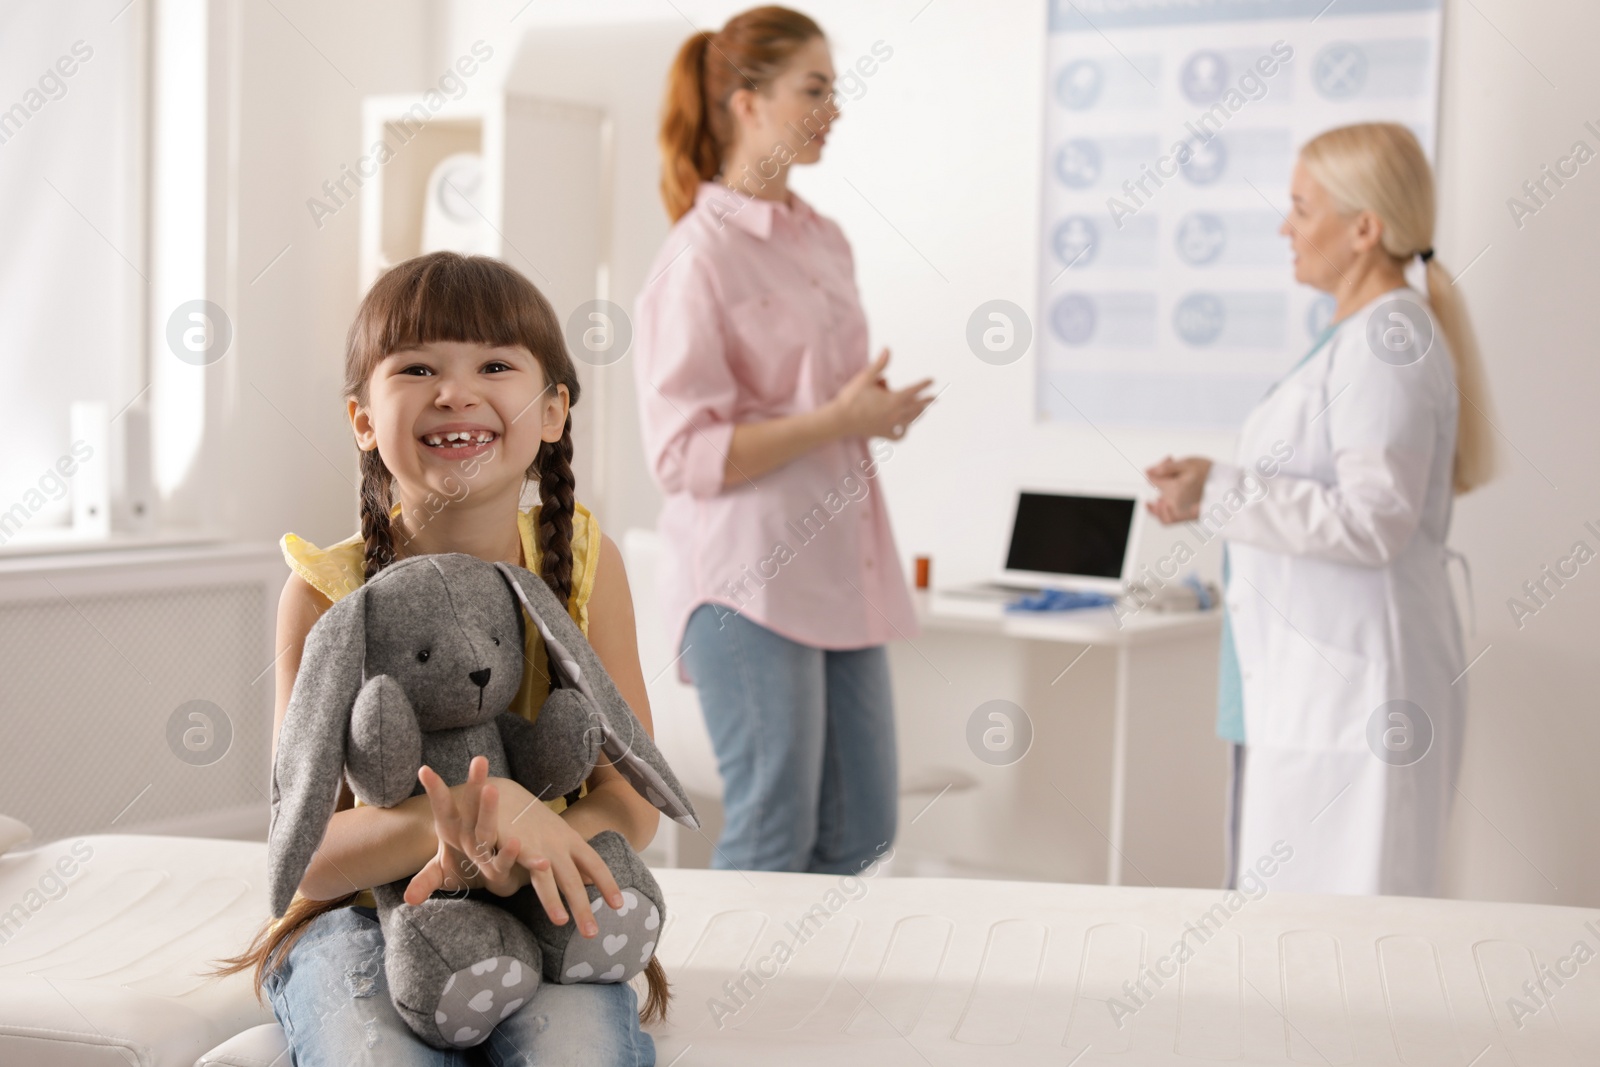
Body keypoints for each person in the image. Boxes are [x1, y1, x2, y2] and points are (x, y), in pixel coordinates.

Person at [210, 252, 662, 1065]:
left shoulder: (589, 566)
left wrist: (518, 852)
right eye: (418, 367)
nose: (455, 390)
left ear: (553, 410)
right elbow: (307, 855)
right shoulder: (322, 593)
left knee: (578, 1052)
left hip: (540, 902)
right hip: (357, 914)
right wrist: (473, 815)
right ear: (362, 419)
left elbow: (633, 804)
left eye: (494, 364)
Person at [1145, 123, 1495, 896]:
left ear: (1364, 229)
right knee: (1298, 943)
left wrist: (1221, 489)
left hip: (1357, 695)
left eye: (1301, 208)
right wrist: (1214, 489)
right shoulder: (1361, 338)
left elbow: (1376, 519)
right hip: (1317, 686)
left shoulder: (1389, 341)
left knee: (1348, 945)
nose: (1285, 227)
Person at [635, 6, 936, 875]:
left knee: (864, 828)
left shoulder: (822, 240)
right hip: (747, 578)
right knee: (774, 831)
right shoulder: (698, 257)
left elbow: (812, 395)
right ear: (745, 101)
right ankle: (745, 1011)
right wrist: (836, 420)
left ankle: (821, 1009)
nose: (832, 109)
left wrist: (861, 410)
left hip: (837, 566)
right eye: (814, 89)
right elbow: (683, 454)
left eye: (834, 90)